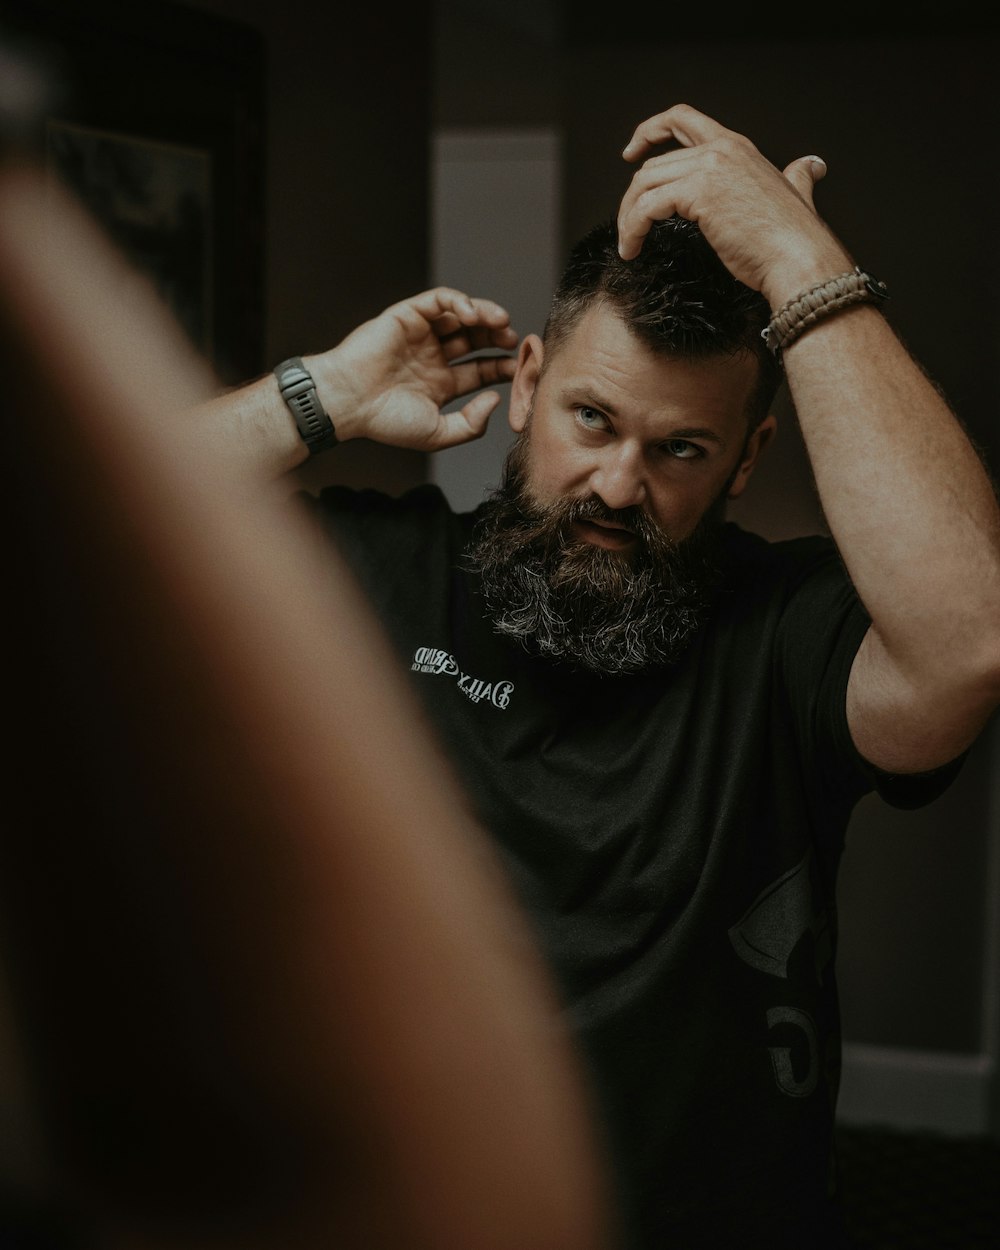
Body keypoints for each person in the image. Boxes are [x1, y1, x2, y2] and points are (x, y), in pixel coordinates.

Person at [196, 103, 1000, 1248]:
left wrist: (802, 266)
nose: (619, 485)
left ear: (745, 459)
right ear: (524, 382)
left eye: (678, 448)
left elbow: (972, 640)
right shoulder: (383, 573)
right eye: (590, 418)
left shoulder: (785, 635)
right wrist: (318, 392)